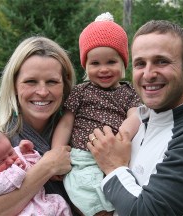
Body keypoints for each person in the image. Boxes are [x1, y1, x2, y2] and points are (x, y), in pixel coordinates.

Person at [87, 20, 183, 216]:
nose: (148, 74)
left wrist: (113, 167)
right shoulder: (139, 121)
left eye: (161, 61)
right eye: (140, 64)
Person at [0, 36, 76, 215]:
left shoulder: (79, 135)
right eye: (30, 81)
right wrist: (48, 166)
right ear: (14, 84)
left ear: (64, 86)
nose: (42, 92)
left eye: (52, 81)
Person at [52, 12, 141, 216]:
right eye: (95, 63)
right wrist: (56, 153)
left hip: (116, 153)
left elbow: (135, 116)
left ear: (123, 62)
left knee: (116, 196)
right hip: (82, 157)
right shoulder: (80, 92)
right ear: (85, 65)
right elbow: (66, 123)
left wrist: (122, 136)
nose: (103, 69)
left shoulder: (129, 92)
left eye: (111, 61)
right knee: (86, 196)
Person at [0, 127, 72, 216]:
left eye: (10, 153)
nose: (10, 161)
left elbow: (36, 164)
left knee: (59, 202)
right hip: (23, 211)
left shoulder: (15, 155)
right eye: (0, 162)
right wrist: (16, 171)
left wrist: (27, 151)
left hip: (42, 202)